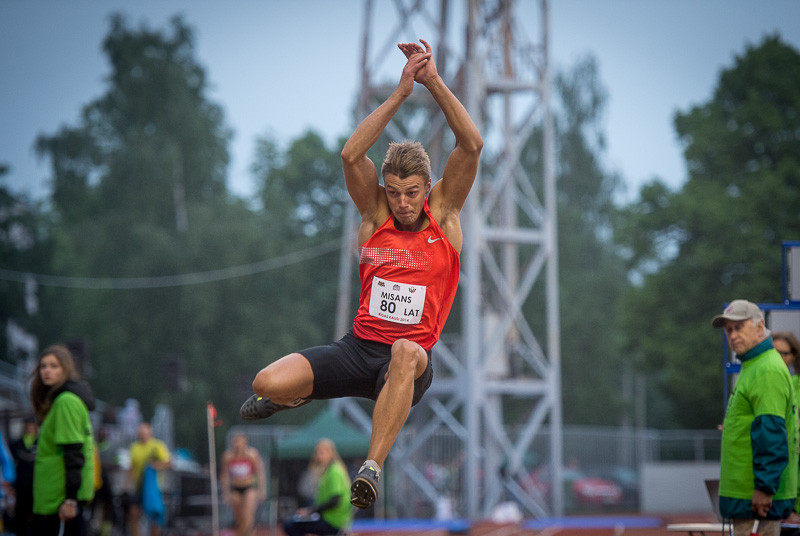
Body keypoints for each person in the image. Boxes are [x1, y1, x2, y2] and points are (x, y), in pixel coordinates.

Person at [239, 37, 482, 510]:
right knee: (265, 383)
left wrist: (432, 81)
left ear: (427, 189)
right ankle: (287, 398)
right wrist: (400, 94)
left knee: (407, 349)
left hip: (405, 365)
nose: (404, 202)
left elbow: (471, 144)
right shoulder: (374, 216)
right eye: (395, 192)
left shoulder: (444, 216)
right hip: (356, 349)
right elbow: (351, 156)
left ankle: (370, 468)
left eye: (412, 192)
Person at [713, 300, 799, 536]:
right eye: (728, 330)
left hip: (756, 500)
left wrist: (764, 488)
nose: (732, 335)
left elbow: (771, 432)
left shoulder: (766, 369)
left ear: (760, 327)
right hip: (748, 496)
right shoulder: (754, 365)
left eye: (738, 327)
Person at [29, 344, 96, 536]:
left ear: (66, 370)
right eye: (43, 366)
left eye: (54, 366)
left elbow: (73, 452)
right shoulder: (60, 401)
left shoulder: (66, 401)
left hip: (59, 502)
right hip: (50, 499)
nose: (47, 371)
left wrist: (70, 500)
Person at [283, 438, 351, 536]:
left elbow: (335, 500)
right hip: (329, 518)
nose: (318, 456)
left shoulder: (335, 471)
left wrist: (310, 511)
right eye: (317, 453)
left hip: (333, 521)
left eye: (321, 452)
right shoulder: (329, 471)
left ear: (331, 453)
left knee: (289, 525)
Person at [127, 422, 171, 536]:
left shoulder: (157, 446)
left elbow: (168, 463)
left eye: (144, 433)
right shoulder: (134, 447)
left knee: (154, 517)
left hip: (153, 488)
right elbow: (131, 467)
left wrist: (156, 465)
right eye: (140, 433)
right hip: (138, 486)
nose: (142, 435)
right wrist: (127, 484)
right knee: (134, 513)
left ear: (150, 433)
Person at [219, 433, 267, 536]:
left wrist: (261, 490)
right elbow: (224, 476)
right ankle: (243, 533)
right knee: (239, 517)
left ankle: (248, 533)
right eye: (235, 442)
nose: (238, 445)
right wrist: (225, 493)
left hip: (249, 487)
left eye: (240, 441)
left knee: (248, 515)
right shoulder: (228, 456)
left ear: (245, 442)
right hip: (236, 487)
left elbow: (259, 473)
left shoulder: (252, 454)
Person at [9, 416, 38, 536]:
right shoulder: (16, 444)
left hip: (36, 487)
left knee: (34, 517)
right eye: (28, 425)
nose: (29, 428)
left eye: (32, 425)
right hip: (20, 486)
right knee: (20, 517)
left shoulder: (40, 443)